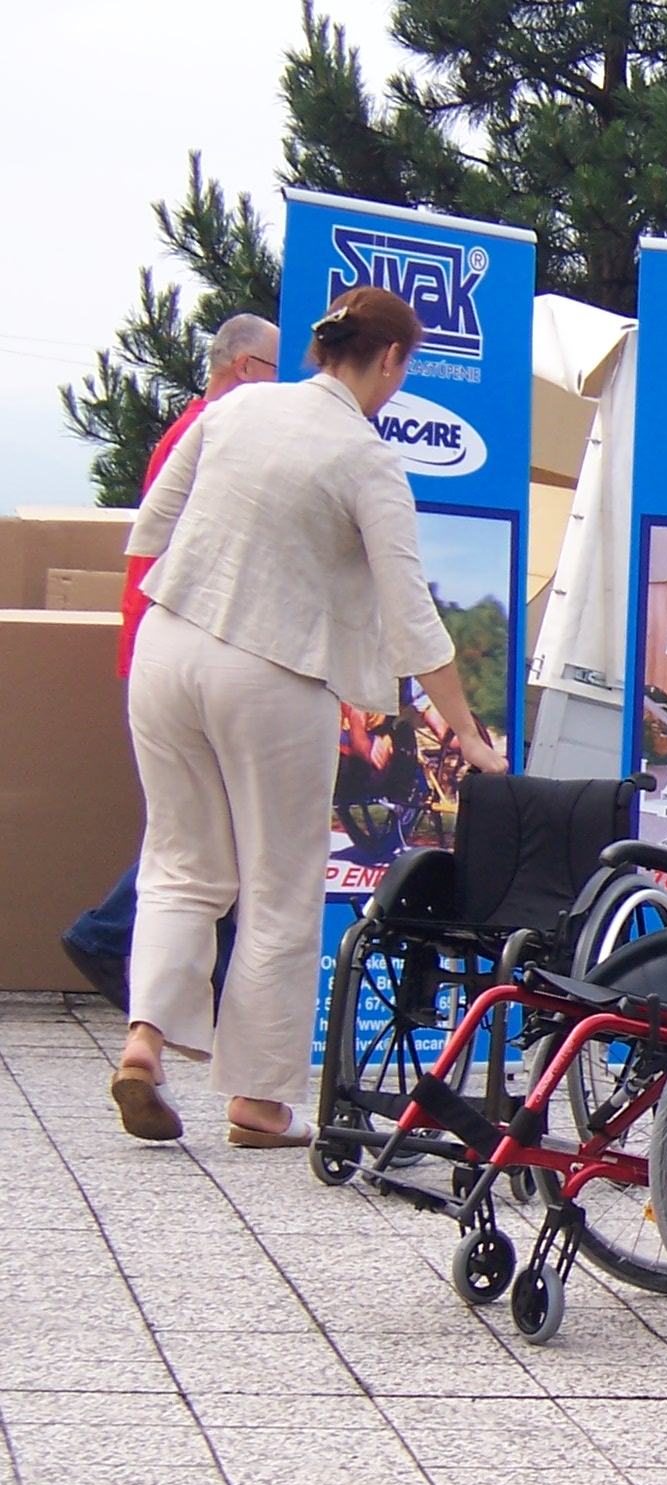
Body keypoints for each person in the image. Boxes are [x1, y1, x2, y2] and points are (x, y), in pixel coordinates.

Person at [109, 286, 508, 1148]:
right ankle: (257, 1102)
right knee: (280, 886)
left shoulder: (235, 408)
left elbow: (148, 532)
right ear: (391, 359)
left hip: (168, 649)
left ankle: (144, 1042)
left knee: (177, 862)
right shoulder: (366, 457)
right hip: (273, 670)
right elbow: (412, 616)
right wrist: (468, 734)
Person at [59, 313, 280, 1011]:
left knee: (202, 819)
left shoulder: (192, 431)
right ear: (245, 367)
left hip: (164, 648)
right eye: (278, 370)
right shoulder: (214, 436)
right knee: (212, 821)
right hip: (187, 649)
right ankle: (113, 934)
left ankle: (167, 960)